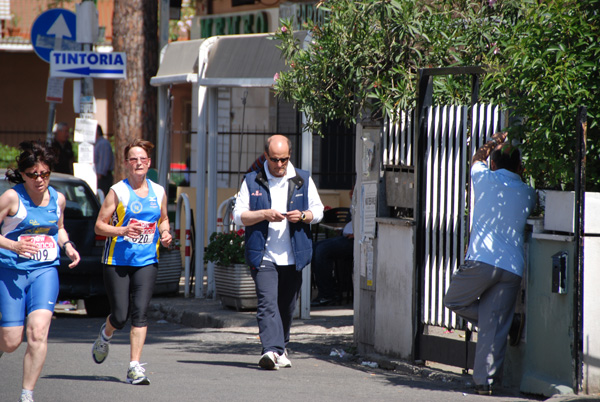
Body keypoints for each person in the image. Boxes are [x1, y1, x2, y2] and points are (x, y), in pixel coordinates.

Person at [443, 132, 536, 395]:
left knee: (454, 300)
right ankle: (485, 383)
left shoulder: (484, 178)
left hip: (482, 260)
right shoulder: (529, 193)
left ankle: (504, 324)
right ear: (521, 168)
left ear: (493, 164)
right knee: (495, 324)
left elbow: (475, 158)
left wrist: (491, 143)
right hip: (513, 268)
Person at [233, 134, 324, 370]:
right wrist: (264, 214)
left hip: (293, 255)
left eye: (284, 159)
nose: (280, 164)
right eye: (274, 160)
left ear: (289, 156)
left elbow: (318, 210)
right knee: (267, 302)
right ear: (266, 156)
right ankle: (270, 350)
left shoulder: (302, 179)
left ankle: (280, 348)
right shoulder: (252, 180)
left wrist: (303, 216)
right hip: (263, 254)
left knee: (286, 306)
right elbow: (238, 215)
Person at [0, 141, 81, 402]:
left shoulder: (58, 198)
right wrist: (13, 244)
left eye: (44, 174)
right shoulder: (12, 197)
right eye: (33, 174)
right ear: (23, 174)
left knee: (38, 332)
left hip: (44, 271)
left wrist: (67, 245)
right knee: (12, 341)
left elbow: (57, 228)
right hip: (10, 272)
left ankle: (27, 394)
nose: (39, 180)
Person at [91, 139, 172, 385]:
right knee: (120, 316)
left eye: (143, 159)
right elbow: (99, 225)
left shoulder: (158, 191)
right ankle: (105, 335)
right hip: (117, 260)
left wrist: (166, 233)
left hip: (147, 260)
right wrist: (123, 231)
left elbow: (164, 220)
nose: (138, 163)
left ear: (149, 163)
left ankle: (134, 367)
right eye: (133, 159)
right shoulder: (119, 191)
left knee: (141, 313)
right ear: (127, 164)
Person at [311, 190, 355, 307]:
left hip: (355, 240)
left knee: (322, 250)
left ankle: (327, 294)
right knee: (315, 247)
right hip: (346, 236)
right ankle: (328, 288)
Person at [94, 125, 114, 197]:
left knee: (102, 197)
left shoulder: (103, 143)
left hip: (103, 177)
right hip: (99, 176)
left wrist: (100, 175)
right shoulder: (97, 143)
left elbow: (104, 162)